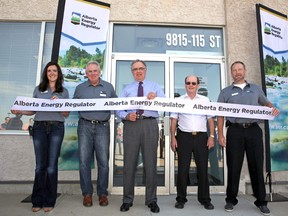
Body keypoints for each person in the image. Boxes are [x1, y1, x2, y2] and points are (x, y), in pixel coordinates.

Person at [217, 61, 280, 216]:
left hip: (253, 131)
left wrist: (272, 109)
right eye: (234, 70)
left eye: (240, 69)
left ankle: (261, 202)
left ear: (244, 71)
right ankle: (231, 200)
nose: (237, 72)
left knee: (257, 166)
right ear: (231, 73)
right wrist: (220, 134)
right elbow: (219, 113)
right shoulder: (225, 92)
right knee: (233, 166)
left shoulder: (256, 89)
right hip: (234, 132)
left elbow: (266, 103)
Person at [11, 61, 69, 213]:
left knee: (51, 166)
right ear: (45, 73)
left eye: (54, 71)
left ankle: (50, 200)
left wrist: (61, 104)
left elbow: (66, 114)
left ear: (58, 73)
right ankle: (37, 200)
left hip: (57, 128)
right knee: (39, 166)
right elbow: (33, 110)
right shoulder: (38, 89)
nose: (51, 73)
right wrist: (21, 112)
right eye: (49, 70)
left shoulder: (64, 91)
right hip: (39, 128)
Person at [116, 59, 165, 213]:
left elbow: (165, 104)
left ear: (146, 70)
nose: (138, 71)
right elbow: (118, 109)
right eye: (135, 69)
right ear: (132, 72)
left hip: (150, 125)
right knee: (129, 163)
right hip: (131, 125)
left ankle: (151, 200)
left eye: (141, 68)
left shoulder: (155, 87)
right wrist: (125, 116)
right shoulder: (127, 89)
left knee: (150, 163)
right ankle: (127, 200)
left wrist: (156, 98)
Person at [73, 61, 117, 207]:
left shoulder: (108, 87)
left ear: (100, 72)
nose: (92, 73)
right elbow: (70, 105)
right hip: (84, 126)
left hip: (103, 127)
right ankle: (87, 194)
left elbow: (117, 105)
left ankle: (102, 194)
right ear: (86, 73)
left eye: (95, 71)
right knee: (84, 162)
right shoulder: (79, 88)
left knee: (103, 162)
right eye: (90, 71)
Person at [170, 75, 215, 210]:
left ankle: (205, 199)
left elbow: (210, 119)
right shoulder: (178, 100)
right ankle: (181, 199)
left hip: (201, 137)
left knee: (202, 169)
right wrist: (173, 137)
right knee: (183, 170)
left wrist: (211, 136)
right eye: (188, 83)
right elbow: (173, 120)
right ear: (185, 85)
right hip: (184, 137)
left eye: (193, 83)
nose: (191, 85)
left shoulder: (205, 100)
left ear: (197, 85)